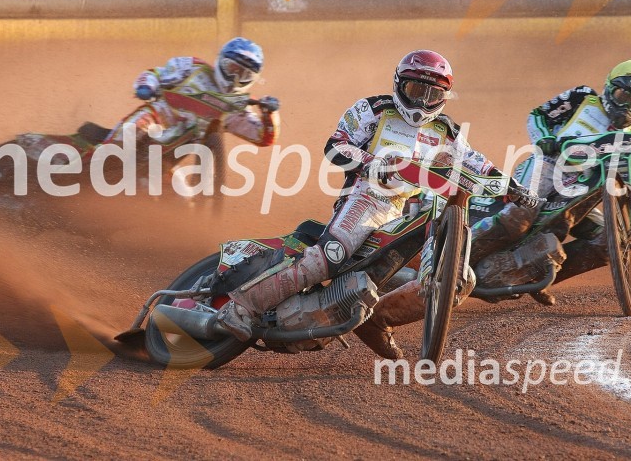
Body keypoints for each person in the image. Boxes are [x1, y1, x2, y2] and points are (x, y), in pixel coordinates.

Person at [354, 59, 631, 359]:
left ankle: (534, 277)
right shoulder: (582, 97)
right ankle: (452, 261)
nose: (626, 105)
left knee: (608, 244)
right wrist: (544, 138)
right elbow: (538, 116)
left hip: (583, 197)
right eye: (622, 95)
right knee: (519, 218)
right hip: (546, 171)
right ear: (609, 88)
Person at [217, 50, 537, 343]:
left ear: (444, 97)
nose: (422, 102)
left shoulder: (447, 131)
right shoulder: (373, 109)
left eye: (433, 94)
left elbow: (477, 163)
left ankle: (377, 321)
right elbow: (336, 145)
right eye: (416, 90)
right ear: (399, 84)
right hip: (366, 198)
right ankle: (242, 307)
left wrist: (513, 187)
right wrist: (372, 163)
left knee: (457, 278)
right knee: (330, 257)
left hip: (409, 212)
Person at [105, 37, 280, 147]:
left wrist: (269, 113)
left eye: (244, 74)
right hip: (157, 118)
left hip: (171, 154)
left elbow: (263, 137)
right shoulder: (193, 67)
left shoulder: (239, 106)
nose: (235, 78)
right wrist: (146, 87)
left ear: (254, 78)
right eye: (232, 68)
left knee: (182, 195)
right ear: (220, 61)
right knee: (128, 135)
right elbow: (156, 74)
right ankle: (92, 163)